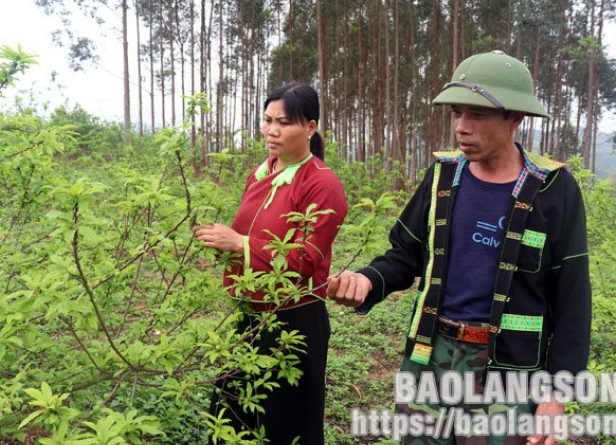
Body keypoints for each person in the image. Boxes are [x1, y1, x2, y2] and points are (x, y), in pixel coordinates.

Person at [327, 51, 591, 445]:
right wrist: (366, 281)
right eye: (456, 114)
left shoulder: (554, 190)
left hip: (510, 372)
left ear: (515, 119)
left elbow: (573, 299)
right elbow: (405, 254)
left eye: (478, 115)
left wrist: (556, 397)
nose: (461, 128)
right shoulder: (443, 177)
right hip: (430, 357)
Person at [194, 82, 348, 445]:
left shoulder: (322, 185)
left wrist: (240, 243)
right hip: (247, 314)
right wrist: (221, 244)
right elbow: (246, 234)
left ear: (310, 127)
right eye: (267, 120)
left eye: (284, 122)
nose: (271, 130)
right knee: (232, 415)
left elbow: (304, 259)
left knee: (285, 423)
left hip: (294, 320)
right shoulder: (262, 172)